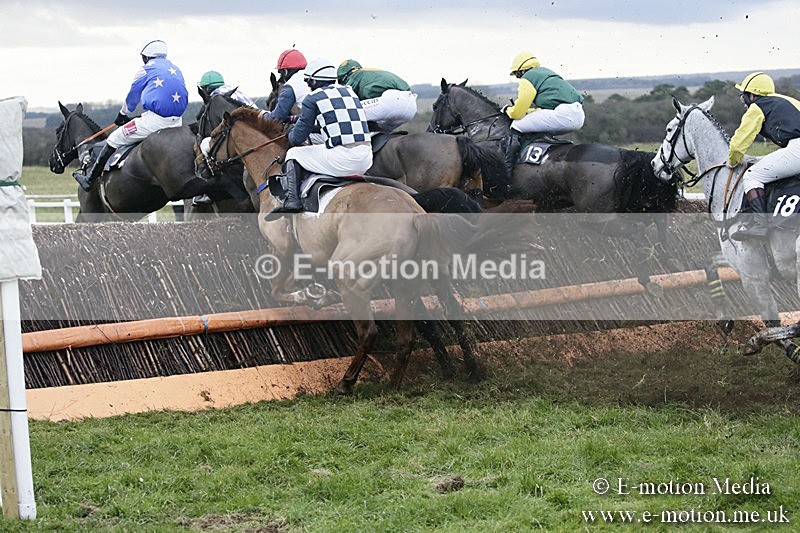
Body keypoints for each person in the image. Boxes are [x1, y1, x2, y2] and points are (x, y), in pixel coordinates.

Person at [73, 40, 188, 191]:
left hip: (156, 121)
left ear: (146, 57)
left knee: (114, 138)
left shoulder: (146, 69)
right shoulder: (175, 68)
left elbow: (133, 96)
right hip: (177, 121)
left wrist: (122, 114)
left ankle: (89, 180)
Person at [265, 58, 372, 220]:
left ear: (314, 80)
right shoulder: (348, 91)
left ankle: (293, 201)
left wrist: (290, 131)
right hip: (366, 157)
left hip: (343, 158)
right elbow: (330, 121)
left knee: (294, 153)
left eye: (308, 81)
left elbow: (297, 138)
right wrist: (295, 119)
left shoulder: (312, 98)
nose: (308, 85)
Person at [728, 72, 800, 240]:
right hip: (794, 147)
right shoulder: (787, 100)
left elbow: (739, 144)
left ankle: (760, 225)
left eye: (743, 97)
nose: (744, 103)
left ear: (752, 95)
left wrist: (732, 161)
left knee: (753, 175)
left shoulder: (757, 107)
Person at [502, 51, 585, 176]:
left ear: (521, 71)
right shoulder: (546, 73)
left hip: (563, 114)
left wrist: (507, 110)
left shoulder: (528, 77)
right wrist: (527, 112)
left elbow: (517, 113)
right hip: (578, 115)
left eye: (517, 75)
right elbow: (540, 112)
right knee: (535, 126)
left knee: (516, 125)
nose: (518, 78)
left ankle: (507, 172)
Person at [193, 70, 258, 206]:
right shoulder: (235, 92)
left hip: (243, 138)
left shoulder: (215, 99)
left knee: (207, 149)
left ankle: (205, 191)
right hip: (260, 130)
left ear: (205, 89)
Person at [336, 59, 417, 132]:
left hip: (392, 101)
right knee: (381, 131)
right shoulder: (370, 73)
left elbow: (345, 98)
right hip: (411, 106)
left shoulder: (355, 75)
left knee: (349, 113)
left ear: (345, 77)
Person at [261, 48, 310, 123]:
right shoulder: (312, 78)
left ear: (285, 71)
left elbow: (276, 117)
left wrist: (263, 115)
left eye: (281, 73)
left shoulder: (291, 85)